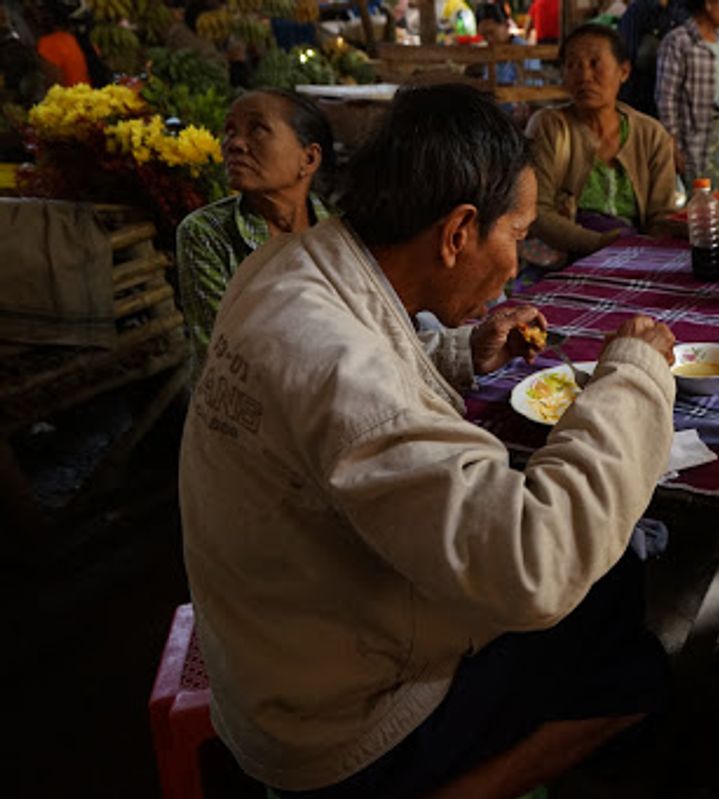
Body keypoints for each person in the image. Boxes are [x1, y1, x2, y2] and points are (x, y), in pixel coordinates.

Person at [179, 82, 677, 799]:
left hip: (281, 652)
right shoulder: (340, 366)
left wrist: (457, 353)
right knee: (639, 666)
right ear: (456, 233)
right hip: (338, 728)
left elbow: (350, 380)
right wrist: (632, 376)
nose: (517, 263)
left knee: (618, 567)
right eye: (517, 234)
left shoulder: (288, 267)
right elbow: (534, 560)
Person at [176, 89, 334, 362]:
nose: (235, 144)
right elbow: (222, 352)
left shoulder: (340, 234)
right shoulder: (207, 233)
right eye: (229, 131)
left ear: (308, 159)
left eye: (257, 129)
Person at [526, 24, 676, 259]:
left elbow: (660, 218)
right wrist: (598, 243)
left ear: (624, 71)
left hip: (633, 255)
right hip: (564, 256)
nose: (584, 76)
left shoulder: (651, 135)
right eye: (573, 65)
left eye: (595, 64)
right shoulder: (550, 127)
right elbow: (537, 211)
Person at [655, 0, 719, 187]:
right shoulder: (678, 41)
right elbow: (666, 99)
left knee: (717, 199)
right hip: (692, 144)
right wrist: (673, 148)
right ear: (708, 4)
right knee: (696, 201)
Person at [617, 0, 690, 116]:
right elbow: (627, 56)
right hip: (639, 100)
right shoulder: (637, 11)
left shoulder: (683, 12)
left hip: (674, 102)